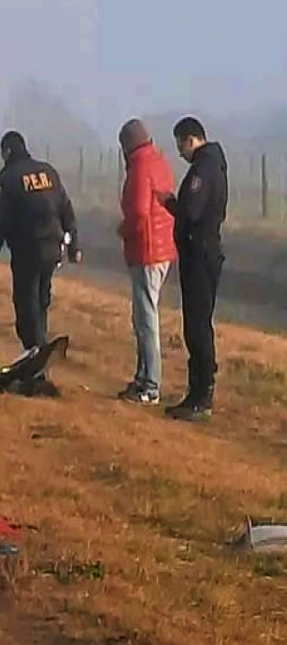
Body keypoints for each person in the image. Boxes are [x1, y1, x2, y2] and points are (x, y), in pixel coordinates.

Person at [0, 131, 81, 351]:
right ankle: (41, 345)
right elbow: (66, 208)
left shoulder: (8, 177)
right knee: (41, 299)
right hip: (53, 248)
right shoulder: (48, 172)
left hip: (27, 250)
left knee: (26, 304)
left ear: (7, 152)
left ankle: (35, 355)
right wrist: (74, 245)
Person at [157, 117, 228, 421]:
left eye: (179, 145)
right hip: (205, 251)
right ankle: (198, 392)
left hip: (199, 254)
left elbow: (192, 211)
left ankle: (201, 395)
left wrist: (172, 205)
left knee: (197, 326)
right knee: (199, 323)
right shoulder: (214, 165)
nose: (180, 153)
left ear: (190, 139)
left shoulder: (203, 169)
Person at [116, 119, 177, 405]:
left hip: (147, 249)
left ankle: (150, 384)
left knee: (146, 318)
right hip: (162, 246)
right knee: (142, 316)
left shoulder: (139, 168)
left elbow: (139, 213)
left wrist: (123, 230)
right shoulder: (159, 161)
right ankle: (143, 377)